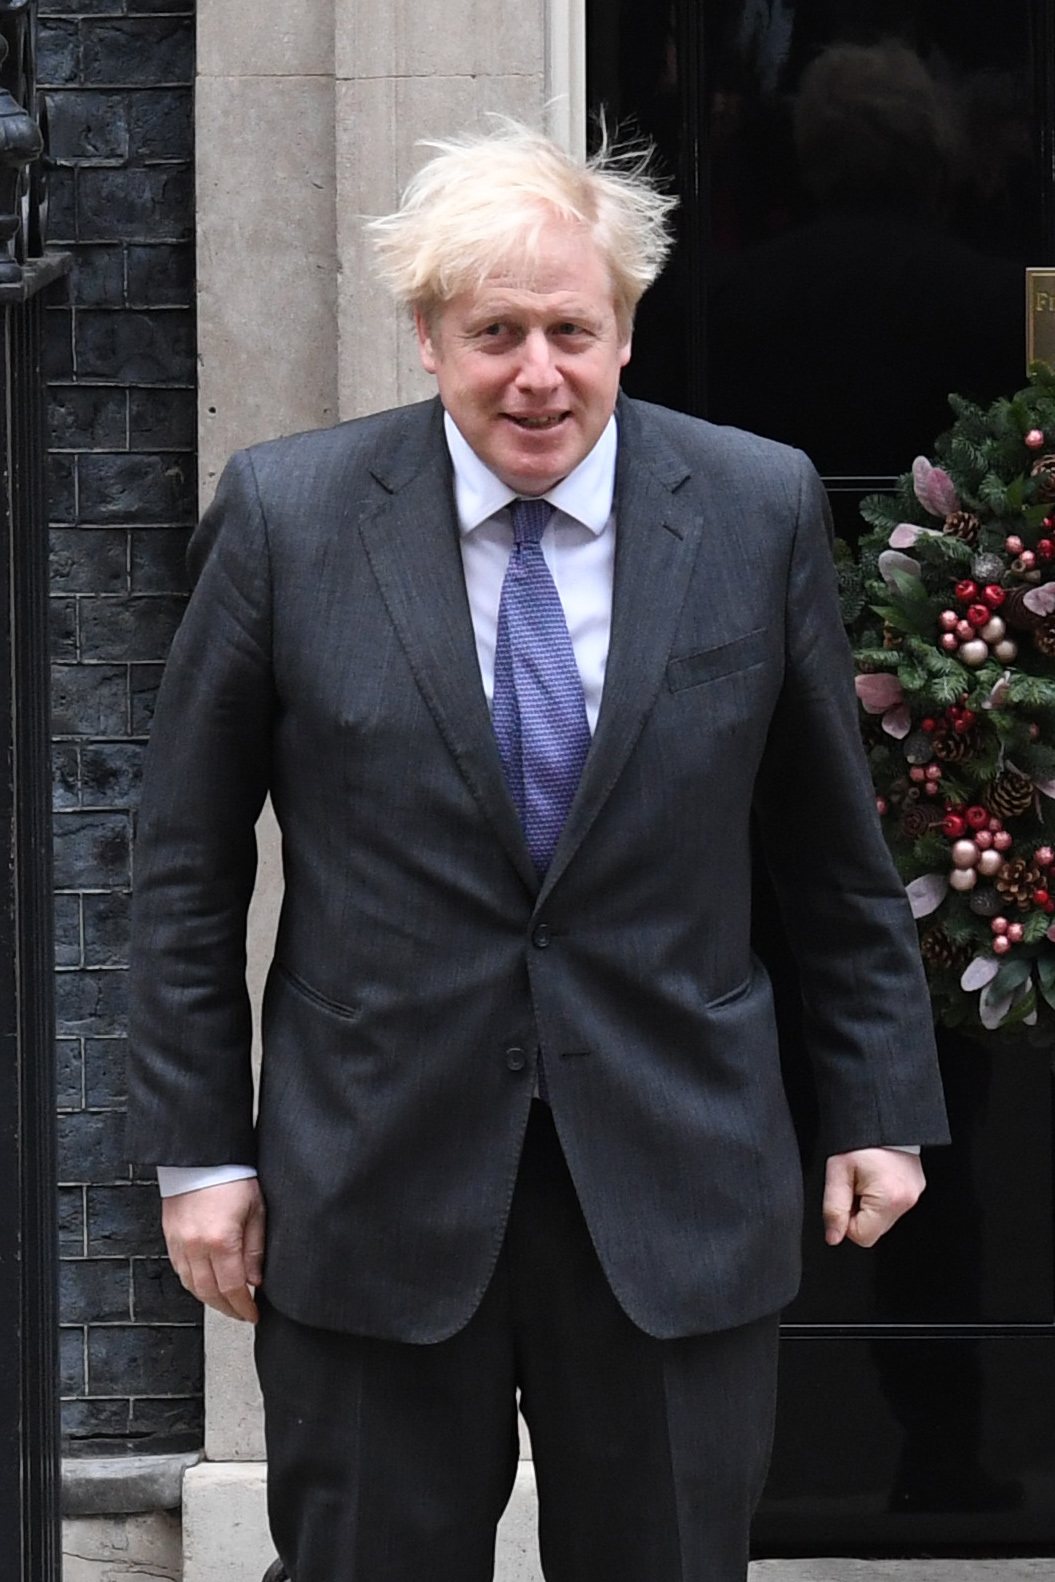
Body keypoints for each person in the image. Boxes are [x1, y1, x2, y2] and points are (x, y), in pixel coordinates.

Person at [127, 124, 949, 1582]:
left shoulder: (753, 506)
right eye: (494, 333)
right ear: (428, 337)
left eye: (572, 330)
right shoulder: (287, 515)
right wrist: (201, 1151)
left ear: (625, 330)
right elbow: (185, 864)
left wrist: (878, 1103)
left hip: (676, 1180)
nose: (537, 375)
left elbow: (832, 851)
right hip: (374, 1182)